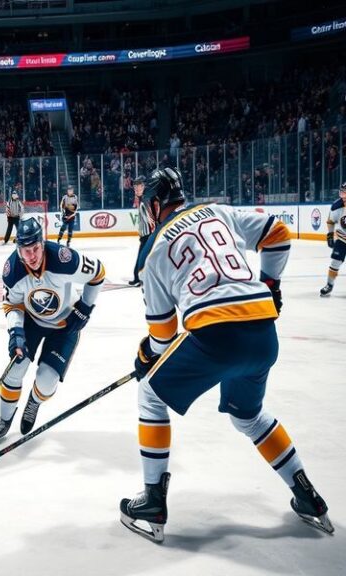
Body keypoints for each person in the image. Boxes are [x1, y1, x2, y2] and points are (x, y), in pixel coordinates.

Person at [120, 167, 332, 543]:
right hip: (264, 334)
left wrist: (143, 357)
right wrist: (270, 284)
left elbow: (163, 336)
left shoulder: (153, 253)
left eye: (146, 204)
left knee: (150, 396)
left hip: (215, 337)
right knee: (247, 415)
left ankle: (153, 499)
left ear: (155, 203)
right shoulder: (219, 211)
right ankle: (307, 495)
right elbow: (278, 234)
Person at [0, 217, 105, 444]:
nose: (32, 256)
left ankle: (34, 402)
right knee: (15, 369)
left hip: (65, 326)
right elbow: (11, 304)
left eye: (36, 248)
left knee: (46, 380)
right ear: (19, 250)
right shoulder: (12, 271)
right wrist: (16, 332)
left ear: (42, 243)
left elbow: (98, 273)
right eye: (26, 251)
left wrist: (85, 308)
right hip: (32, 322)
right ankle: (4, 420)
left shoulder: (64, 259)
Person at [319, 181, 346, 297]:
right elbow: (331, 221)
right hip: (341, 239)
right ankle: (329, 285)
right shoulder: (336, 205)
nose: (342, 194)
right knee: (335, 261)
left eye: (345, 192)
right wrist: (330, 235)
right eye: (342, 191)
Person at [129, 176, 155, 287]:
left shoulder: (145, 201)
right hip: (145, 236)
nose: (136, 189)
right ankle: (137, 278)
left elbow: (151, 219)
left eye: (138, 187)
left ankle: (138, 278)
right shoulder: (141, 199)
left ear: (143, 187)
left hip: (148, 236)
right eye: (135, 187)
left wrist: (154, 232)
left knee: (143, 257)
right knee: (144, 257)